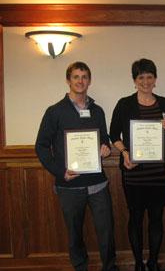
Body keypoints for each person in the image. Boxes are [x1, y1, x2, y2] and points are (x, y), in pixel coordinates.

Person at [35, 62, 117, 271]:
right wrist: (60, 172)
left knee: (106, 231)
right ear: (68, 80)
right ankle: (80, 267)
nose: (80, 81)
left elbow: (105, 138)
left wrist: (105, 147)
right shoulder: (54, 111)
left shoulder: (97, 111)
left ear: (89, 81)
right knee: (74, 234)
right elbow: (41, 146)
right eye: (76, 77)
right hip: (69, 185)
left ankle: (109, 267)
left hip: (97, 184)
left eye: (84, 77)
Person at [109, 58, 165, 271]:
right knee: (135, 218)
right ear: (134, 80)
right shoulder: (124, 104)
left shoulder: (164, 103)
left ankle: (153, 262)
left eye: (149, 77)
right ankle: (138, 263)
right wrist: (125, 152)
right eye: (141, 77)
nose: (145, 81)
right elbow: (113, 135)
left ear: (155, 79)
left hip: (159, 173)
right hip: (133, 171)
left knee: (156, 218)